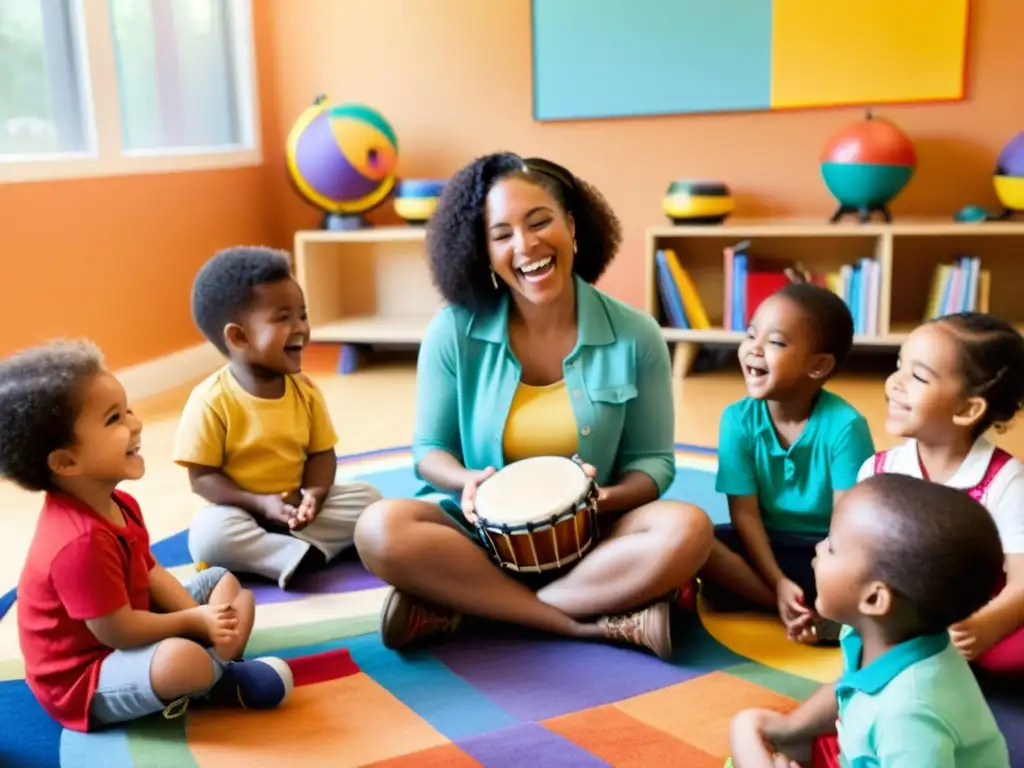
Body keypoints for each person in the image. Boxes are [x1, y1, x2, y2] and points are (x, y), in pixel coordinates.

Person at [353, 152, 714, 659]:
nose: (525, 245)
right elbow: (430, 451)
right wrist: (468, 482)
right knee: (378, 529)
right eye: (502, 234)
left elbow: (654, 463)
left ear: (571, 226)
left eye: (539, 221)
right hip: (479, 540)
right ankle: (581, 623)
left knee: (688, 528)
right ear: (483, 250)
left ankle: (474, 608)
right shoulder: (453, 330)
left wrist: (596, 500)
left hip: (594, 542)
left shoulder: (637, 334)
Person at [4, 340, 291, 733]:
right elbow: (116, 631)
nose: (135, 424)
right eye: (113, 420)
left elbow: (150, 571)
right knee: (181, 660)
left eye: (128, 411)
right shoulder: (78, 542)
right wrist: (194, 622)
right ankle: (220, 679)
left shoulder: (119, 502)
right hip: (87, 675)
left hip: (131, 628)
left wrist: (197, 617)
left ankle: (213, 662)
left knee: (224, 583)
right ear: (66, 461)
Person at [728, 474, 1009, 767]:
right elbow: (851, 688)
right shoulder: (878, 635)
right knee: (750, 726)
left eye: (833, 547)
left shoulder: (910, 717)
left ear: (874, 600)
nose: (818, 548)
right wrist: (789, 727)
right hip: (859, 749)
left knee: (746, 732)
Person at [173, 246, 381, 590]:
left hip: (299, 511)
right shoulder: (211, 400)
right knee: (209, 537)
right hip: (241, 511)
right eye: (283, 318)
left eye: (302, 314)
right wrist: (257, 503)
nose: (301, 327)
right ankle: (293, 556)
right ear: (238, 337)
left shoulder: (305, 390)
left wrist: (314, 493)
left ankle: (289, 552)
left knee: (369, 499)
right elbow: (202, 477)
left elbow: (320, 453)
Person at [700, 283, 875, 644]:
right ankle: (790, 607)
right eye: (751, 334)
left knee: (881, 567)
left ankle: (810, 607)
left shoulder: (845, 426)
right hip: (764, 546)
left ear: (818, 366)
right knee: (697, 540)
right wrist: (778, 583)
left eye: (776, 342)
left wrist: (829, 574)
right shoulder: (737, 420)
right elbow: (745, 515)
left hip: (826, 550)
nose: (755, 349)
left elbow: (849, 525)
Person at [857, 312, 1024, 677]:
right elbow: (858, 555)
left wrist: (984, 626)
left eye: (917, 376)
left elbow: (1021, 582)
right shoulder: (878, 471)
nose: (894, 382)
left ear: (968, 409)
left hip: (976, 611)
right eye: (899, 365)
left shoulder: (1005, 480)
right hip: (898, 610)